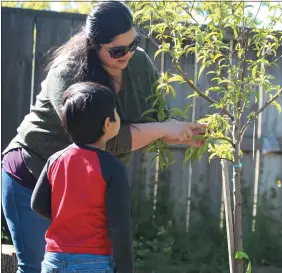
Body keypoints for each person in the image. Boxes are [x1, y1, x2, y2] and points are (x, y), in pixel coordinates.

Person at [1, 2, 206, 273]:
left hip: (80, 190)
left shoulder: (139, 62)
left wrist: (179, 133)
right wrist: (164, 129)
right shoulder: (69, 72)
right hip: (33, 173)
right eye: (118, 50)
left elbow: (159, 117)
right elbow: (108, 139)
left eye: (133, 44)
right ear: (95, 44)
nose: (128, 54)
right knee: (35, 266)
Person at [31, 82, 133, 273]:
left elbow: (37, 204)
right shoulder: (112, 168)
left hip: (54, 259)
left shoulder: (55, 160)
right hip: (93, 262)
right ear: (107, 124)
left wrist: (70, 220)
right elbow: (119, 227)